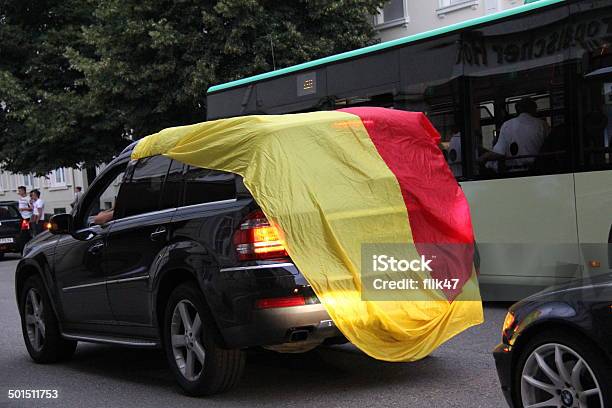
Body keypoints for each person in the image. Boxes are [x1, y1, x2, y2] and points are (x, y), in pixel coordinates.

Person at [479, 97, 549, 172]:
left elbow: (499, 153)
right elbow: (549, 148)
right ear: (533, 109)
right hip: (539, 171)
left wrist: (484, 157)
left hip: (514, 172)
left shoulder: (507, 125)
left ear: (517, 110)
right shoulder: (542, 124)